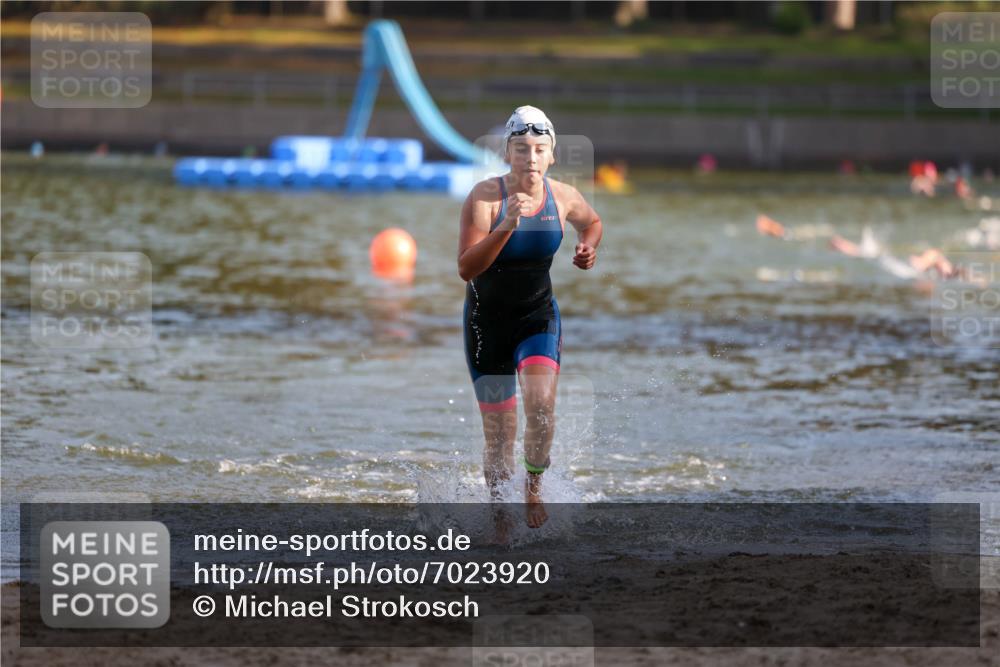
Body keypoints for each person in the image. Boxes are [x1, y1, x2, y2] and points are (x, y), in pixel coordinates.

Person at [457, 106, 602, 530]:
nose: (531, 158)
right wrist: (506, 224)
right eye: (521, 148)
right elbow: (466, 268)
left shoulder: (564, 196)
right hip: (486, 327)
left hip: (537, 319)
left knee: (541, 406)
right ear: (507, 154)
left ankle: (533, 487)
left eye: (540, 149)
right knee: (500, 434)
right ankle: (500, 518)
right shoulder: (484, 198)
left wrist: (588, 248)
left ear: (552, 155)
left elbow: (592, 222)